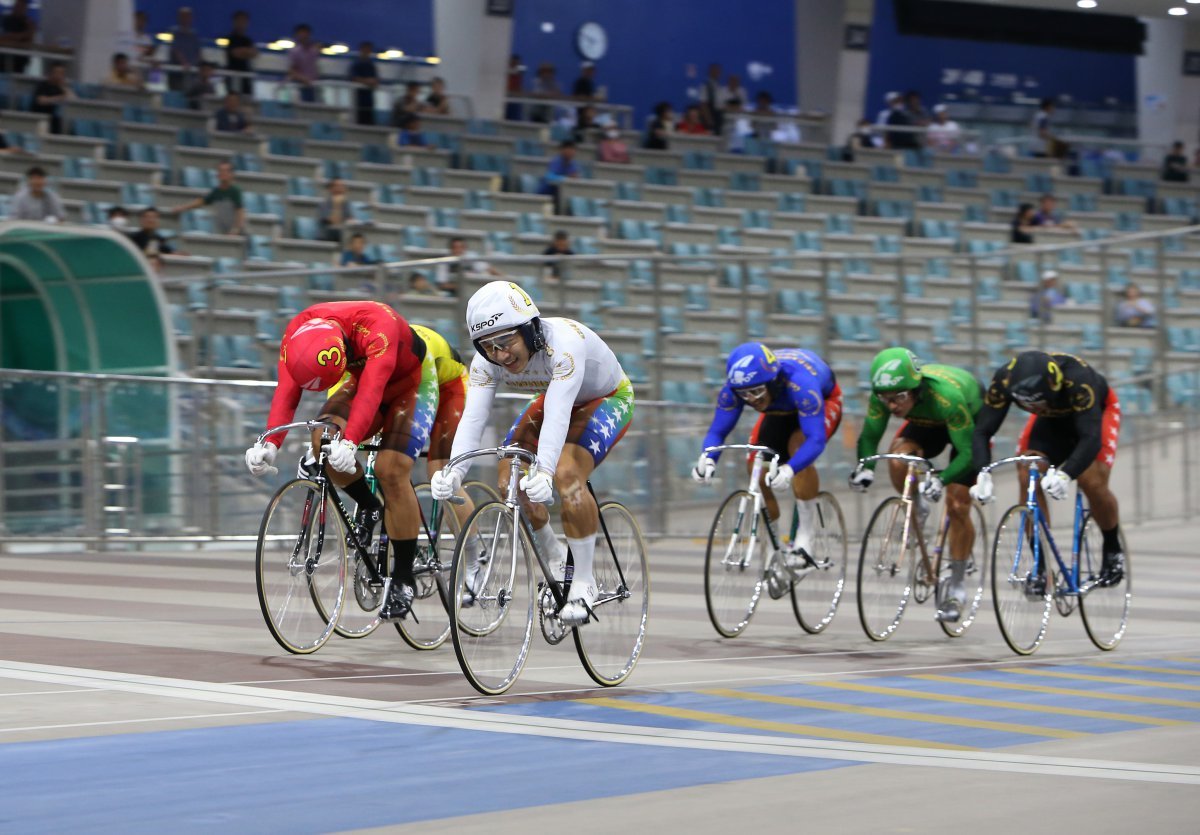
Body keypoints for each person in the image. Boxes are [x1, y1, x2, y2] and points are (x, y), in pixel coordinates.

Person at [430, 281, 636, 625]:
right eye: (488, 346)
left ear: (531, 329)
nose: (500, 355)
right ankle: (555, 561)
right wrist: (454, 472)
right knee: (508, 477)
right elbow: (474, 418)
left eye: (507, 341)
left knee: (567, 474)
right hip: (551, 398)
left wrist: (544, 471)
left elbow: (559, 412)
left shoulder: (563, 345)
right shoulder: (487, 362)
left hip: (607, 399)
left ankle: (584, 583)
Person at [244, 302, 438, 621]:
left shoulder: (378, 327)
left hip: (410, 385)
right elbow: (286, 392)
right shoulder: (297, 333)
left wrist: (350, 442)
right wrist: (270, 443)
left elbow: (373, 392)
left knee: (391, 470)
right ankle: (370, 506)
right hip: (361, 378)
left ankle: (402, 577)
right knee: (323, 441)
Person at [849, 348, 983, 622]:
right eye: (886, 399)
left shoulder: (948, 398)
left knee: (957, 502)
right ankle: (917, 509)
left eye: (898, 398)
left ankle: (957, 587)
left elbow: (968, 453)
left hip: (968, 418)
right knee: (898, 456)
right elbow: (870, 436)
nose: (892, 406)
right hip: (926, 422)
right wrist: (866, 468)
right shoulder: (887, 397)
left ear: (916, 389)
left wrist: (942, 479)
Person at [969, 351, 1124, 587]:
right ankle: (1041, 566)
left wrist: (1066, 473)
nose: (1034, 407)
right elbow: (982, 431)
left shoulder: (1079, 381)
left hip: (1096, 414)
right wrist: (982, 472)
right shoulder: (1004, 380)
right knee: (1027, 474)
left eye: (1038, 401)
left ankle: (1113, 548)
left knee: (1091, 481)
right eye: (1028, 404)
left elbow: (1091, 439)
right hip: (1051, 421)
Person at [694, 344, 843, 567]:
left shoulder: (801, 384)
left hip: (821, 401)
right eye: (744, 394)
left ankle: (805, 536)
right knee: (755, 464)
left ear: (772, 381)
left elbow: (816, 440)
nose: (751, 399)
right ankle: (773, 543)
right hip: (778, 409)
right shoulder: (735, 390)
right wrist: (707, 458)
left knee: (797, 445)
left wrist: (789, 469)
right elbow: (718, 431)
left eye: (756, 391)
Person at [169, 161, 245, 235]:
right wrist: (182, 208)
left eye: (226, 171)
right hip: (224, 232)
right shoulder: (216, 191)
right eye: (220, 171)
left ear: (231, 174)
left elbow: (240, 211)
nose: (222, 173)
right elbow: (201, 202)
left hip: (237, 233)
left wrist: (236, 229)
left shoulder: (235, 191)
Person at [31, 61, 72, 135]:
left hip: (57, 122)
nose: (59, 75)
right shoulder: (43, 85)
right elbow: (41, 100)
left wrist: (64, 87)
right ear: (51, 73)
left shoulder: (62, 88)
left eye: (62, 73)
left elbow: (74, 101)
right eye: (57, 72)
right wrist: (59, 98)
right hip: (42, 119)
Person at [168, 7, 202, 93]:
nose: (185, 19)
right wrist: (184, 63)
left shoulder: (194, 34)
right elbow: (175, 49)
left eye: (187, 16)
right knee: (177, 93)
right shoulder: (174, 32)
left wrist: (196, 65)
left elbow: (198, 52)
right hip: (177, 73)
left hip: (191, 73)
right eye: (183, 16)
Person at [224, 10, 257, 96]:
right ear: (234, 22)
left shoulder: (248, 40)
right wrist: (246, 52)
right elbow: (234, 53)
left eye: (244, 21)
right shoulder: (230, 39)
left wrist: (242, 52)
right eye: (239, 21)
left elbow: (254, 53)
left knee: (247, 99)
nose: (241, 24)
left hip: (245, 77)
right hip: (232, 76)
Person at [0, 0, 36, 76]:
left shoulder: (28, 22)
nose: (21, 9)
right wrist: (21, 35)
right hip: (4, 57)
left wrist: (29, 30)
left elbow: (30, 38)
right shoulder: (6, 19)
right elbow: (6, 36)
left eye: (23, 7)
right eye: (18, 6)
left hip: (20, 60)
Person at [287, 23, 320, 102]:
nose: (304, 35)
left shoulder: (314, 50)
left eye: (305, 33)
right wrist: (303, 79)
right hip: (300, 86)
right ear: (296, 35)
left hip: (314, 85)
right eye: (301, 33)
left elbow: (316, 66)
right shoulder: (294, 51)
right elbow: (291, 71)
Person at [350, 42, 379, 126]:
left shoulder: (371, 64)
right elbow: (354, 78)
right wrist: (367, 81)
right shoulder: (356, 63)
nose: (367, 51)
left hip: (369, 98)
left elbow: (376, 79)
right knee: (359, 118)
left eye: (369, 50)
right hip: (358, 98)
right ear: (361, 50)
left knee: (368, 117)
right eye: (366, 49)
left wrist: (373, 82)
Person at [318, 178, 348, 243]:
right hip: (326, 236)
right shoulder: (324, 204)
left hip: (342, 235)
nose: (340, 188)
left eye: (341, 186)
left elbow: (350, 219)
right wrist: (337, 205)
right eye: (337, 186)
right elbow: (332, 221)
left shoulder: (346, 204)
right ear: (330, 189)